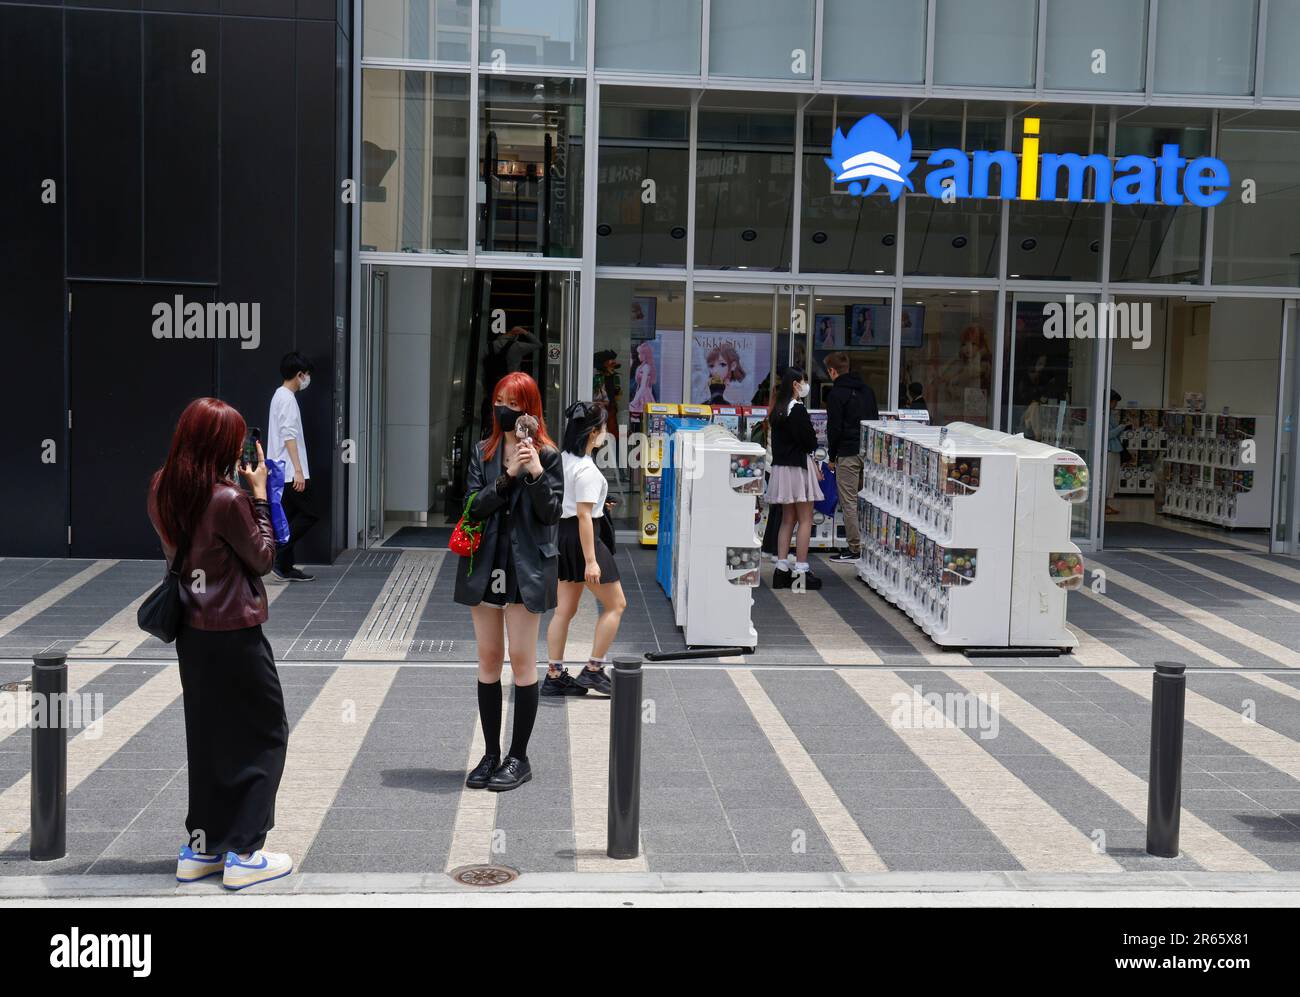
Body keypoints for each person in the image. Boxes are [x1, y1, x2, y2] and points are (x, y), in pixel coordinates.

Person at [147, 397, 292, 891]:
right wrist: (257, 494)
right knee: (265, 733)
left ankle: (202, 847)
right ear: (219, 446)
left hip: (192, 633)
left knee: (208, 738)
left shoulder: (162, 488)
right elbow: (265, 558)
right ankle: (246, 852)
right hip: (235, 633)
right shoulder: (227, 499)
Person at [455, 372, 564, 792]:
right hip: (485, 562)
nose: (506, 409)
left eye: (515, 404)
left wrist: (533, 472)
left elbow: (552, 514)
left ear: (530, 410)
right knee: (487, 659)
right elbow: (470, 507)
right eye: (500, 399)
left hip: (525, 567)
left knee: (521, 660)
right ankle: (490, 754)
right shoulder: (484, 452)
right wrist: (505, 478)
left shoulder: (548, 455)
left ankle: (519, 756)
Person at [543, 401, 626, 697]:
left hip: (563, 537)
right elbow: (583, 516)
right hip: (582, 538)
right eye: (603, 428)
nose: (606, 433)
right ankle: (593, 669)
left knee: (564, 610)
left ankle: (553, 674)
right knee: (616, 605)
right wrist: (591, 561)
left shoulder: (561, 459)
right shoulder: (587, 469)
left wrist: (603, 503)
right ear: (593, 433)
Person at [766, 366, 824, 591]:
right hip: (798, 468)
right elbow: (809, 441)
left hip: (781, 468)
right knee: (806, 519)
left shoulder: (778, 409)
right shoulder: (797, 409)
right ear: (795, 385)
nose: (805, 385)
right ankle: (801, 570)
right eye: (803, 381)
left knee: (787, 519)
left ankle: (781, 570)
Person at [267, 352, 317, 582]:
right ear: (299, 375)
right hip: (288, 470)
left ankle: (284, 567)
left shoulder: (279, 396)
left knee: (288, 516)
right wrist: (298, 470)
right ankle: (281, 556)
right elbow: (289, 436)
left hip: (279, 469)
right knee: (310, 513)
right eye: (306, 375)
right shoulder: (287, 399)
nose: (307, 379)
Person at [824, 352, 879, 563]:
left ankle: (854, 548)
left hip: (847, 453)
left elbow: (834, 428)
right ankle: (871, 545)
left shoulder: (836, 394)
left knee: (849, 502)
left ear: (832, 371)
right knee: (869, 500)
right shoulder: (868, 391)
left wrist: (832, 455)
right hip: (869, 452)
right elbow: (873, 421)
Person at [1106, 389, 1124, 515]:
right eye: (1114, 402)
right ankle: (1104, 504)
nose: (1115, 405)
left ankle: (1106, 504)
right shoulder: (1104, 416)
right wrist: (1120, 428)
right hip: (1109, 450)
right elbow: (1107, 435)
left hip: (1114, 450)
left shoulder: (1110, 415)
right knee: (1108, 478)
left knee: (1112, 478)